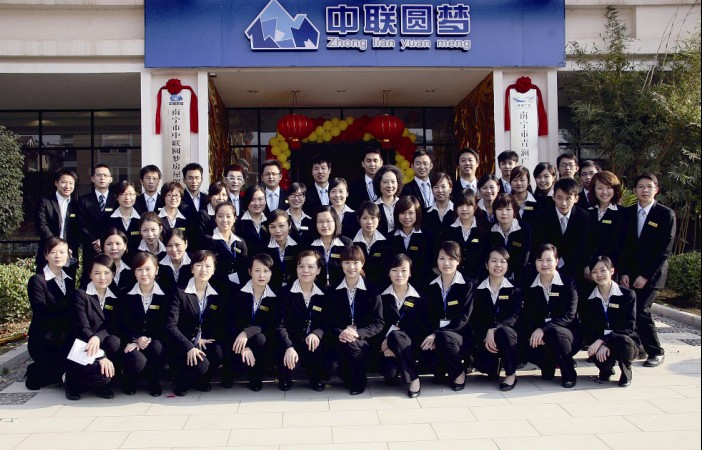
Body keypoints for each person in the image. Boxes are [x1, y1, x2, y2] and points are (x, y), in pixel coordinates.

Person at [619, 173, 676, 368]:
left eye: (649, 186)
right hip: (630, 273)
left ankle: (656, 351)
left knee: (642, 310)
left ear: (656, 190)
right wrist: (624, 272)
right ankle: (639, 347)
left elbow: (664, 250)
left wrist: (645, 275)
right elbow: (623, 246)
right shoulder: (626, 213)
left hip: (652, 274)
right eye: (641, 186)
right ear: (634, 190)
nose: (645, 190)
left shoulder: (666, 214)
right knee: (629, 310)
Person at [166, 250, 226, 396]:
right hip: (182, 341)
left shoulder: (218, 293)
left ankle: (201, 379)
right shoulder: (179, 291)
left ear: (213, 270)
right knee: (200, 365)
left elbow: (220, 323)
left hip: (203, 340)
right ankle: (180, 380)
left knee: (218, 352)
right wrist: (190, 345)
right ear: (192, 268)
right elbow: (171, 325)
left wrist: (202, 338)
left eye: (208, 266)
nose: (203, 270)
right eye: (199, 265)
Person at [521, 244, 581, 388]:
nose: (544, 264)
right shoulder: (529, 284)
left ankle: (569, 374)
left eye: (549, 260)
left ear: (557, 261)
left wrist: (543, 329)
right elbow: (527, 315)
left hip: (567, 334)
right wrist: (534, 332)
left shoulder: (569, 283)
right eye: (540, 260)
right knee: (518, 338)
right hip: (540, 336)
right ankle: (547, 364)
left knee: (555, 333)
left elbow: (569, 316)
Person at [328, 245, 384, 395]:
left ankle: (359, 381)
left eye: (355, 262)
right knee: (332, 365)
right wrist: (341, 332)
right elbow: (329, 319)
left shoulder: (372, 290)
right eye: (347, 262)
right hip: (340, 337)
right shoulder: (333, 290)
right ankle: (346, 374)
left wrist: (358, 333)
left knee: (352, 344)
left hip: (364, 340)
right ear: (341, 264)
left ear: (362, 264)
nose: (351, 267)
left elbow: (378, 322)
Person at [64, 254, 120, 400]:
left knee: (114, 341)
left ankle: (101, 382)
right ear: (90, 275)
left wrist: (97, 338)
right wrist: (101, 356)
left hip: (98, 342)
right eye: (97, 273)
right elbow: (82, 327)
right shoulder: (80, 295)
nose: (102, 277)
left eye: (107, 273)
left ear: (113, 274)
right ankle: (71, 381)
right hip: (82, 344)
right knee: (102, 376)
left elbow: (112, 326)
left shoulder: (115, 297)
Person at [424, 241, 475, 391]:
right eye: (442, 258)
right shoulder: (431, 286)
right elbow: (428, 316)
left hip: (460, 336)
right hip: (437, 335)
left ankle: (459, 373)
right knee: (434, 370)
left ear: (458, 261)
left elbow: (464, 318)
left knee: (445, 337)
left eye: (451, 258)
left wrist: (438, 333)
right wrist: (433, 333)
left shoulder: (468, 284)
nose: (446, 263)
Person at [26, 238, 75, 390]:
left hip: (65, 336)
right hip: (44, 339)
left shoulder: (69, 280)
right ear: (46, 255)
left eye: (62, 252)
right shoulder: (37, 281)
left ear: (68, 255)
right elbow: (41, 312)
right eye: (53, 252)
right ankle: (35, 371)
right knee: (63, 371)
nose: (58, 256)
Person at [275, 251, 328, 392]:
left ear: (318, 270)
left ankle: (315, 376)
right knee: (281, 348)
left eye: (310, 267)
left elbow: (327, 321)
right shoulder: (284, 293)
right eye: (301, 266)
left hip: (312, 340)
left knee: (319, 348)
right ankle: (285, 377)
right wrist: (289, 346)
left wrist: (316, 333)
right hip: (290, 339)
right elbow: (279, 324)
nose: (305, 270)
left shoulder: (325, 293)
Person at [470, 248, 522, 391]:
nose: (498, 265)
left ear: (507, 266)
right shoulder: (476, 289)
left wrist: (494, 328)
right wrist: (485, 333)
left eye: (502, 262)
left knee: (504, 332)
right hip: (484, 339)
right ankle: (493, 365)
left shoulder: (515, 289)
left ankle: (511, 375)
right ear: (487, 265)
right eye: (494, 261)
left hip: (508, 337)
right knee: (487, 369)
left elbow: (515, 315)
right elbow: (474, 318)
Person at [117, 251, 168, 396]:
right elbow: (119, 323)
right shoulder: (124, 294)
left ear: (156, 270)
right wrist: (135, 339)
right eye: (139, 269)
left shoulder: (166, 294)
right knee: (136, 359)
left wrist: (148, 339)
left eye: (148, 269)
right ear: (134, 272)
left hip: (155, 339)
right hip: (131, 341)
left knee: (157, 347)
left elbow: (167, 323)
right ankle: (129, 381)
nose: (144, 273)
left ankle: (154, 381)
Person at [379, 254, 430, 398]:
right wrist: (386, 346)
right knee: (390, 374)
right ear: (389, 273)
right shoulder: (381, 297)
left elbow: (422, 327)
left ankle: (414, 379)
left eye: (404, 270)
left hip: (411, 346)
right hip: (385, 349)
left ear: (410, 272)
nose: (399, 275)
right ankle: (404, 369)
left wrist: (393, 342)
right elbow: (377, 324)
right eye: (394, 270)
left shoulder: (420, 298)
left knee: (395, 335)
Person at [581, 256, 638, 387]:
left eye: (603, 270)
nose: (599, 275)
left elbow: (629, 327)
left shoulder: (628, 295)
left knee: (624, 341)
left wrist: (604, 341)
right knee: (599, 357)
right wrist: (599, 343)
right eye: (594, 272)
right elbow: (587, 327)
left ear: (611, 271)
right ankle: (606, 369)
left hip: (624, 341)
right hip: (600, 342)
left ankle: (626, 372)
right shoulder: (588, 298)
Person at [229, 254, 277, 391]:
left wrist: (247, 333)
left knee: (260, 338)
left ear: (271, 273)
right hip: (236, 340)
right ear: (250, 271)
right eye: (257, 270)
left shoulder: (275, 297)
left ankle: (256, 378)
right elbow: (229, 322)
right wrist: (244, 344)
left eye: (266, 271)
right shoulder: (237, 294)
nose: (261, 275)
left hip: (259, 342)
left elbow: (270, 325)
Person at [531, 178, 589, 282]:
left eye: (568, 198)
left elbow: (584, 245)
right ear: (553, 197)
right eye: (559, 198)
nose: (563, 203)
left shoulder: (584, 216)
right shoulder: (542, 216)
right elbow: (538, 243)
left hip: (575, 267)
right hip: (548, 268)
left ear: (576, 198)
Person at [35, 167, 80, 279]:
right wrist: (56, 245)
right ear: (56, 183)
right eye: (63, 182)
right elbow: (41, 225)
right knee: (45, 283)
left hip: (69, 253)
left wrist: (69, 247)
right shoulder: (45, 201)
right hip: (48, 251)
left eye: (71, 183)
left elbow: (78, 230)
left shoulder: (77, 205)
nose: (67, 186)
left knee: (68, 285)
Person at [77, 164, 116, 287]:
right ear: (93, 178)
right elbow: (82, 224)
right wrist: (94, 240)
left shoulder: (116, 200)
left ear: (110, 179)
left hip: (111, 247)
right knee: (89, 279)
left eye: (105, 175)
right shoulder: (84, 200)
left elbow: (116, 224)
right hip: (91, 247)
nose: (102, 178)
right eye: (98, 175)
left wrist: (104, 241)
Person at [584, 171, 626, 276]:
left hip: (612, 270)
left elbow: (624, 246)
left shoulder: (623, 213)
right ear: (593, 189)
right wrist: (586, 265)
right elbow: (583, 243)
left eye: (609, 188)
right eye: (600, 188)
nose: (604, 192)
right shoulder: (587, 212)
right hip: (589, 271)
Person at [390, 196, 433, 288]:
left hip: (422, 287)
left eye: (411, 213)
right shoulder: (389, 238)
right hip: (396, 288)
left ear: (417, 213)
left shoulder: (427, 237)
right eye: (403, 213)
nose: (407, 217)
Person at [489, 194, 531, 285]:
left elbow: (524, 259)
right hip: (495, 278)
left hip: (520, 278)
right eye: (500, 209)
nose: (504, 213)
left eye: (508, 209)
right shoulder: (489, 231)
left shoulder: (524, 229)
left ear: (515, 211)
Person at [206, 202, 248, 288]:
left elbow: (244, 267)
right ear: (215, 218)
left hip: (238, 287)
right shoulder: (208, 241)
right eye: (220, 216)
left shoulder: (240, 243)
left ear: (234, 219)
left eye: (228, 216)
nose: (224, 220)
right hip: (215, 286)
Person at [449, 190, 488, 282]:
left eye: (468, 205)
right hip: (454, 280)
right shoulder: (449, 229)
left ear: (475, 207)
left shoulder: (485, 229)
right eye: (460, 205)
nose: (464, 209)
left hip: (478, 280)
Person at [310, 206, 352, 289]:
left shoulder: (346, 243)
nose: (324, 225)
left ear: (335, 222)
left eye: (328, 221)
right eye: (320, 221)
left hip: (340, 289)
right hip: (315, 289)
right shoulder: (309, 244)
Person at [352, 201, 390, 288]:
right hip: (358, 287)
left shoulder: (387, 241)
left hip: (381, 288)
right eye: (365, 218)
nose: (369, 222)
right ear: (358, 219)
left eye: (373, 218)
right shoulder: (351, 242)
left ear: (379, 219)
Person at [264, 209, 301, 292]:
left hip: (295, 290)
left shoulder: (299, 245)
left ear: (289, 225)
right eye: (272, 227)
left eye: (281, 226)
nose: (277, 231)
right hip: (270, 290)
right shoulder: (263, 247)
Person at [104, 180, 141, 254]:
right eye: (123, 194)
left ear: (136, 196)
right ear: (116, 197)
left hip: (138, 259)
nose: (127, 197)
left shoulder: (142, 218)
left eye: (131, 194)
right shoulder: (106, 219)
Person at [191, 181, 229, 251]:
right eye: (217, 194)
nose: (221, 198)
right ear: (210, 196)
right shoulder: (202, 215)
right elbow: (201, 239)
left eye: (224, 195)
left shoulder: (229, 214)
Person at [424, 172, 456, 252]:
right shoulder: (425, 214)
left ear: (450, 189)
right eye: (436, 187)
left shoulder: (457, 212)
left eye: (443, 186)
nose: (440, 190)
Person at [238, 184, 270, 256]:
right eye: (252, 200)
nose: (257, 203)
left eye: (260, 199)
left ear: (265, 201)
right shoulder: (238, 223)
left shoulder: (270, 221)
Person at [158, 228, 192, 294]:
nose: (174, 249)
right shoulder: (157, 262)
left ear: (186, 244)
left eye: (177, 245)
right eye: (169, 245)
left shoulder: (195, 262)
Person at [101, 228, 135, 293]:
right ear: (103, 247)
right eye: (109, 244)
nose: (114, 248)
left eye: (118, 243)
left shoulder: (132, 272)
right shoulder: (94, 270)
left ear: (125, 246)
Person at [373, 164, 404, 236]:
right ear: (379, 183)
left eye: (393, 181)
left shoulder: (404, 204)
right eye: (385, 182)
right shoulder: (373, 206)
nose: (390, 185)